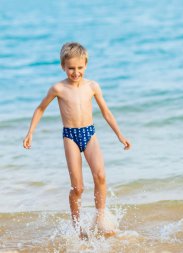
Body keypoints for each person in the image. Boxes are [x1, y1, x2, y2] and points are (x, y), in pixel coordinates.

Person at [23, 42, 131, 238]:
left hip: (90, 133)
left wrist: (120, 136)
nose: (75, 72)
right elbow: (40, 109)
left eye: (79, 68)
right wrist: (30, 132)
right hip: (70, 136)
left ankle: (101, 217)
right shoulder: (58, 88)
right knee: (78, 188)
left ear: (86, 65)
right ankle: (77, 225)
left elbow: (106, 113)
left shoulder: (92, 86)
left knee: (100, 176)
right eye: (71, 68)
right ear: (63, 66)